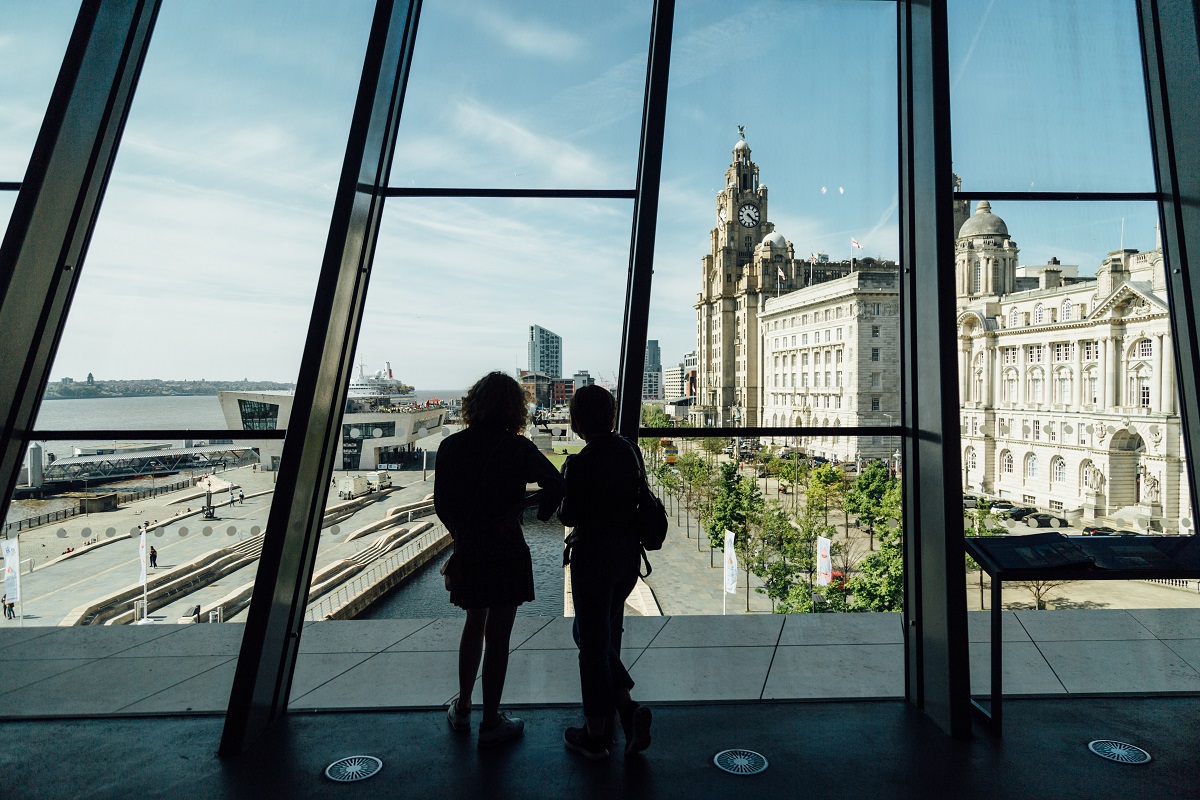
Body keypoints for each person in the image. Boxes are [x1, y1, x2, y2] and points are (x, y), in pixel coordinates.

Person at [434, 371, 564, 749]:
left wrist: (462, 535)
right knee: (500, 636)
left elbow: (443, 505)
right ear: (515, 408)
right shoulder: (516, 447)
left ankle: (462, 708)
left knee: (474, 622)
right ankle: (491, 721)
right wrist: (522, 506)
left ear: (473, 404)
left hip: (471, 548)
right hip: (507, 546)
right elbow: (556, 484)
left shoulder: (451, 447)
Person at [557, 384, 652, 760]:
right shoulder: (630, 451)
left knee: (592, 647)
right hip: (627, 557)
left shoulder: (580, 464)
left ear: (577, 421)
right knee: (600, 636)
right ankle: (627, 712)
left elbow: (570, 515)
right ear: (611, 415)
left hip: (593, 560)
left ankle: (596, 736)